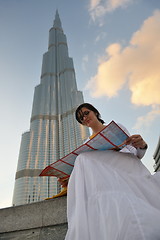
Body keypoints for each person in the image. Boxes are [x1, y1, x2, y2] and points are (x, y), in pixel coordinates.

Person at [61, 103, 160, 240]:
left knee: (83, 159)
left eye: (86, 113)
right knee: (82, 158)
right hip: (105, 171)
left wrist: (142, 145)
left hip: (126, 163)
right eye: (80, 118)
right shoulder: (86, 144)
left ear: (95, 112)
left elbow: (136, 154)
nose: (84, 118)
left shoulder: (117, 127)